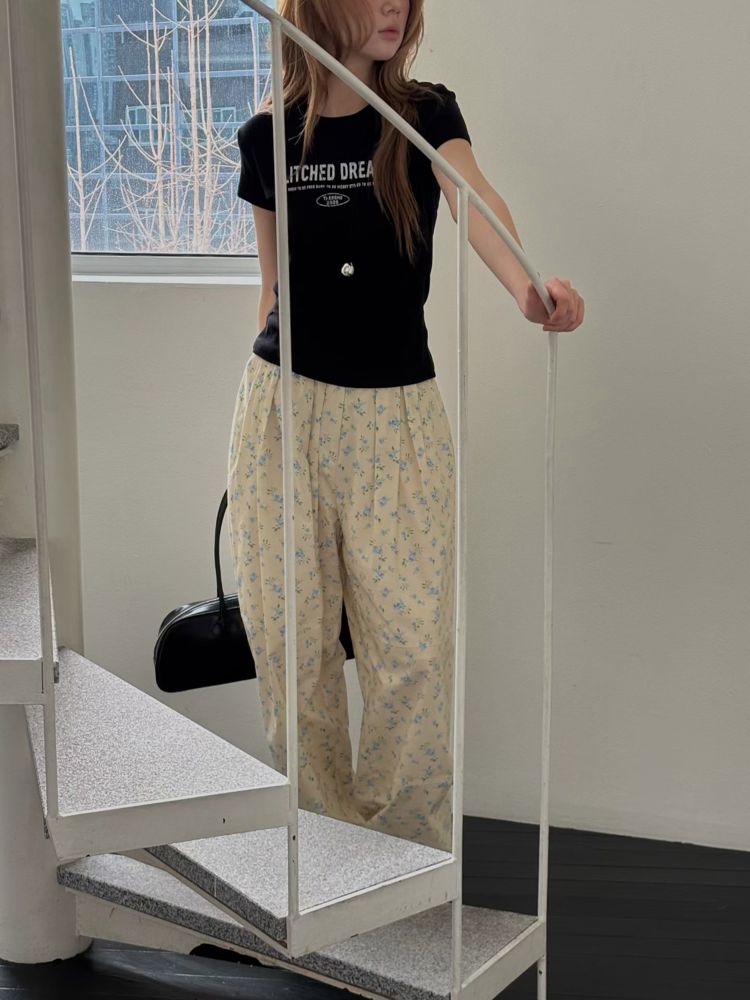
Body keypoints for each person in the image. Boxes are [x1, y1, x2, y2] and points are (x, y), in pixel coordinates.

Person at [227, 0, 584, 853]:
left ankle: (406, 865)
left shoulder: (423, 114)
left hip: (396, 418)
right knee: (293, 654)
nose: (395, 4)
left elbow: (474, 199)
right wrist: (261, 439)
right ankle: (323, 855)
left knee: (413, 655)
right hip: (283, 412)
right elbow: (271, 292)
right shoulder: (266, 135)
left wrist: (528, 287)